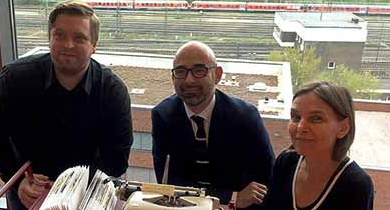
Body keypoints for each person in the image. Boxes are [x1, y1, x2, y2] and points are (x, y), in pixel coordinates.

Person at [0, 1, 133, 209]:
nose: (68, 45)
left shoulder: (113, 91)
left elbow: (116, 160)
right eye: (59, 35)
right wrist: (17, 180)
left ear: (93, 45)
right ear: (49, 38)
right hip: (29, 194)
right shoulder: (14, 80)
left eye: (79, 37)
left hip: (85, 197)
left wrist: (75, 190)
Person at [152, 41, 275, 209]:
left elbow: (267, 179)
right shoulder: (163, 115)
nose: (189, 80)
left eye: (199, 71)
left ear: (217, 75)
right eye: (180, 71)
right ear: (173, 77)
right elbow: (168, 182)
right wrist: (231, 196)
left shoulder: (245, 117)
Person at [262, 81, 374, 209]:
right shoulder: (286, 162)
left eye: (316, 118)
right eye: (296, 117)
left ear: (343, 128)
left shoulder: (355, 185)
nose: (301, 127)